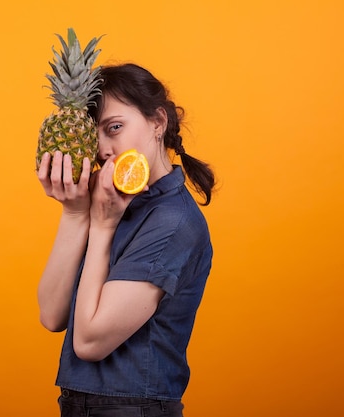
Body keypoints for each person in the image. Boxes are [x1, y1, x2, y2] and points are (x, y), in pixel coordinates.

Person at [36, 63, 215, 417]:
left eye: (114, 128)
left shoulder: (173, 221)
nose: (103, 149)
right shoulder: (115, 202)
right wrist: (75, 214)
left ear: (157, 123)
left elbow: (88, 342)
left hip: (133, 409)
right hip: (79, 405)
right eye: (94, 135)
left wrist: (101, 229)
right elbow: (52, 315)